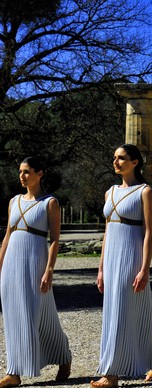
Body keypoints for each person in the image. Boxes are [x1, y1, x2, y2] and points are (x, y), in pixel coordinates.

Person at [92, 144, 152, 387]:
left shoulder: (144, 192)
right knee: (116, 311)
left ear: (135, 162)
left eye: (121, 158)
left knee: (123, 312)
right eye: (114, 158)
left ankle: (111, 374)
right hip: (111, 258)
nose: (116, 162)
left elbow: (149, 233)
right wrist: (101, 268)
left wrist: (145, 268)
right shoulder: (109, 192)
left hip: (131, 257)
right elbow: (107, 233)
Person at [0, 157, 72, 388]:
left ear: (40, 174)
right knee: (13, 316)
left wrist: (49, 270)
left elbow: (54, 240)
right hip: (12, 263)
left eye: (27, 172)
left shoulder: (49, 203)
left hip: (35, 262)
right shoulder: (14, 201)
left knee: (37, 315)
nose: (22, 176)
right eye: (20, 171)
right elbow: (8, 236)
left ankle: (63, 354)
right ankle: (14, 371)